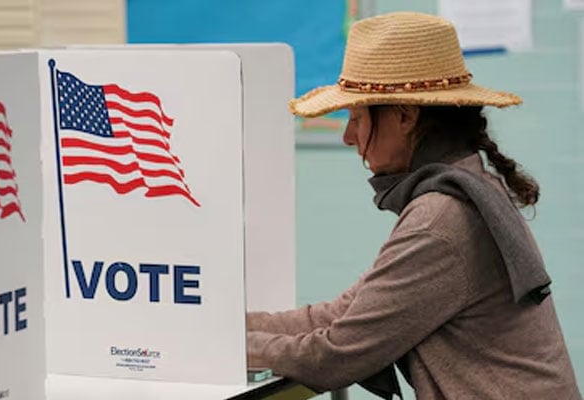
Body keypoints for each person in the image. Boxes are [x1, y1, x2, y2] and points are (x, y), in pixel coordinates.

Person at [246, 11, 582, 400]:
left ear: (405, 116)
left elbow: (335, 354)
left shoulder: (440, 219)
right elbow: (342, 315)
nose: (348, 136)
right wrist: (221, 332)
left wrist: (221, 346)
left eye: (356, 117)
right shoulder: (467, 191)